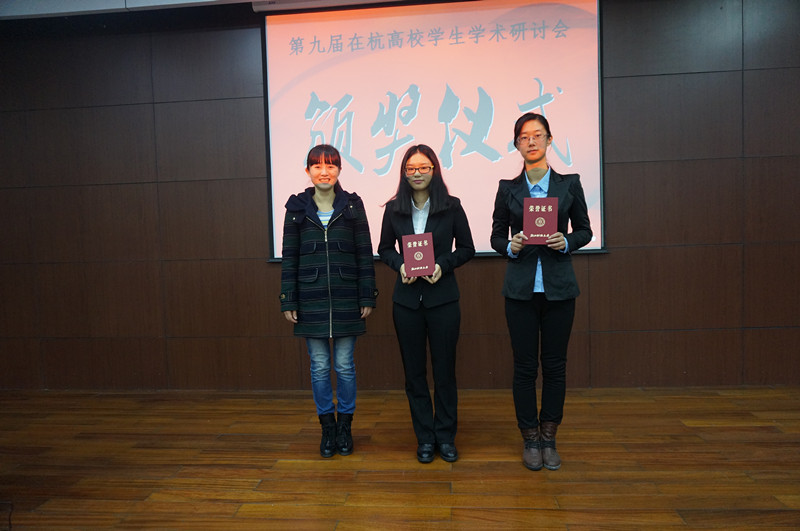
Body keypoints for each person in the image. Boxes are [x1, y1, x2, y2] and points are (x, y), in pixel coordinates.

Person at [490, 113, 593, 471]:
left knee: (555, 366)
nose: (531, 141)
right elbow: (496, 236)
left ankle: (549, 436)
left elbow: (585, 230)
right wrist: (510, 246)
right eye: (524, 136)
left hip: (559, 289)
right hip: (520, 290)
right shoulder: (507, 188)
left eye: (538, 135)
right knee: (524, 367)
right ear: (516, 144)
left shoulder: (569, 184)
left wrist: (567, 241)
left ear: (550, 140)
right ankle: (530, 437)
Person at [378, 144, 475, 464]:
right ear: (404, 173)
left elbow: (467, 248)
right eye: (411, 168)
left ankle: (445, 436)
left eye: (423, 167)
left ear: (434, 170)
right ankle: (425, 437)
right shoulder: (393, 209)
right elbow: (385, 249)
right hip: (406, 302)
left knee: (445, 372)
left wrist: (442, 265)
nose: (417, 173)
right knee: (414, 374)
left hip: (443, 299)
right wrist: (400, 266)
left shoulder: (452, 206)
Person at [279, 144, 377, 458]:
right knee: (320, 367)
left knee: (345, 366)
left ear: (339, 170)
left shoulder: (353, 206)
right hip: (311, 299)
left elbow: (364, 253)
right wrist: (288, 299)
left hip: (348, 297)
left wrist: (367, 294)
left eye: (331, 166)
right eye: (318, 166)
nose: (325, 172)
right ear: (308, 171)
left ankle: (345, 426)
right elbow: (289, 258)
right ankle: (327, 428)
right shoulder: (296, 208)